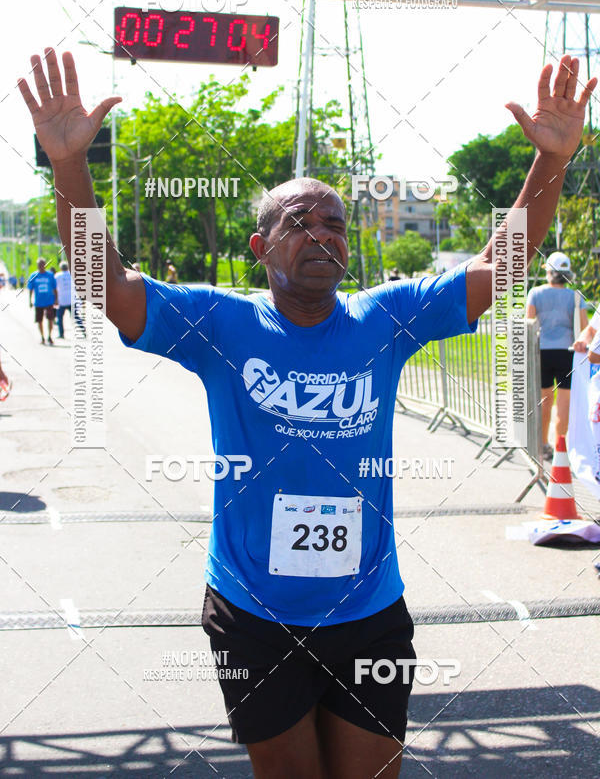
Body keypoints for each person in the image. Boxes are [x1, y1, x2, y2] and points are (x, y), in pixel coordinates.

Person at [18, 47, 596, 777]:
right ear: (261, 248)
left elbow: (503, 264)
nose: (323, 232)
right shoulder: (220, 324)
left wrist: (553, 161)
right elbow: (106, 284)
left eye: (336, 222)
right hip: (254, 618)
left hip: (368, 615)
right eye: (300, 221)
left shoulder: (384, 318)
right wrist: (69, 166)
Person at [527, 251, 588, 459]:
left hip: (541, 353)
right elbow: (584, 328)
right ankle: (561, 447)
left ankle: (543, 444)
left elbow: (530, 323)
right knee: (564, 402)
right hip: (566, 353)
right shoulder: (575, 296)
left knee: (545, 400)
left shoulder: (535, 293)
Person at [26, 257, 57, 345]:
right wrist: (30, 301)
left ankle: (50, 336)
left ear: (45, 265)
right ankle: (42, 337)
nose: (40, 266)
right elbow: (30, 289)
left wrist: (56, 299)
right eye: (39, 265)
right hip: (38, 302)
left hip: (49, 301)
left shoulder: (50, 275)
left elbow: (55, 288)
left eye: (42, 264)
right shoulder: (33, 276)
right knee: (39, 320)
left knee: (50, 319)